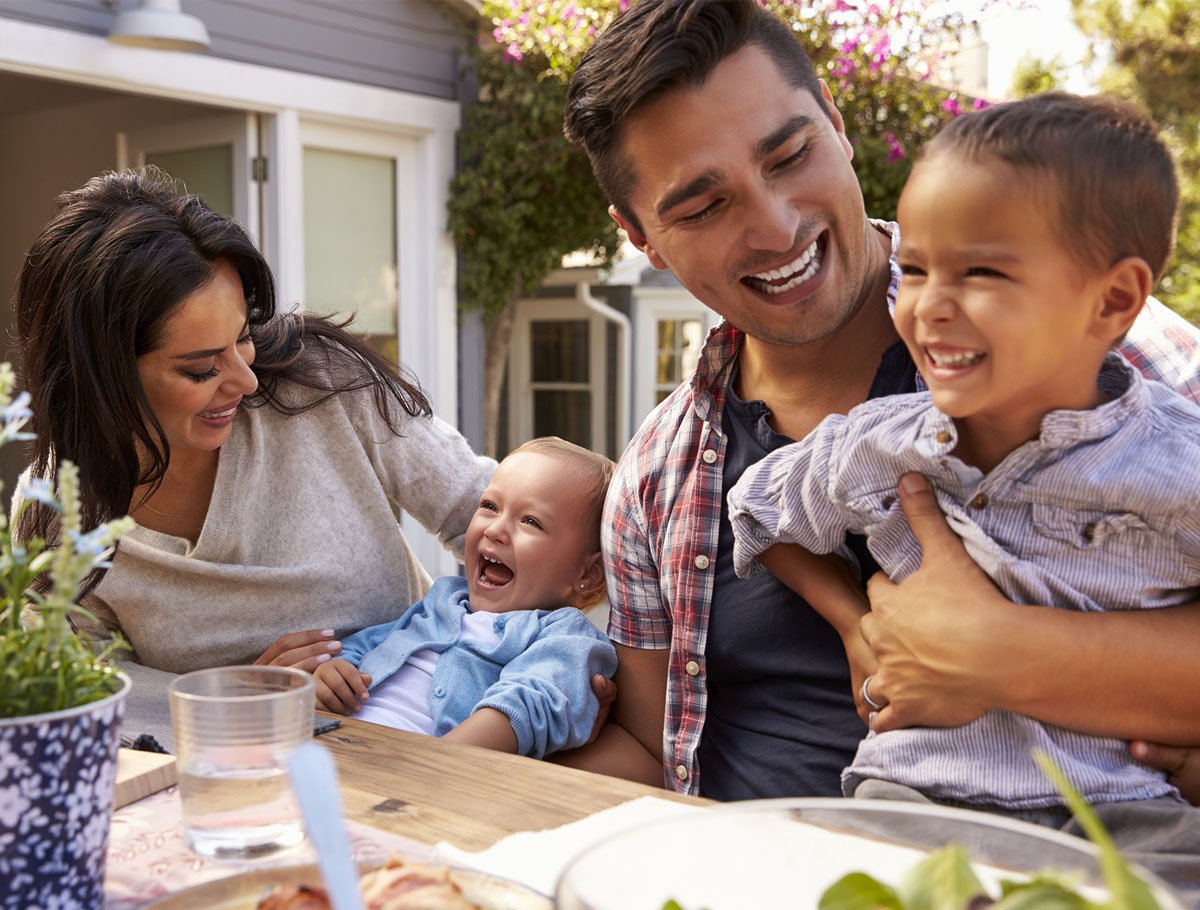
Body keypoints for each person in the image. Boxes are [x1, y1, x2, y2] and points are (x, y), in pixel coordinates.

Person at [558, 0, 1200, 804]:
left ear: (834, 120)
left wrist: (994, 652)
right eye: (704, 206)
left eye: (790, 156)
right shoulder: (654, 475)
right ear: (641, 237)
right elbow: (656, 753)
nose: (777, 225)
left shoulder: (1117, 353)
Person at [724, 92, 1200, 893]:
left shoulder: (1177, 464)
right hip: (909, 801)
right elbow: (757, 508)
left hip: (1124, 815)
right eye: (914, 270)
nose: (928, 307)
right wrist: (855, 624)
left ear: (1113, 300)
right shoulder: (882, 441)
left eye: (981, 272)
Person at [13, 166, 495, 743]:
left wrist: (544, 650)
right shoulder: (56, 515)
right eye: (201, 367)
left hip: (436, 740)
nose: (245, 380)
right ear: (103, 378)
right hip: (238, 782)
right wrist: (243, 697)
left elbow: (491, 515)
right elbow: (81, 689)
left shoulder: (322, 384)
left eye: (243, 336)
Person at [314, 437, 618, 759]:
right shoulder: (442, 602)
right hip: (326, 746)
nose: (495, 530)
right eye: (489, 506)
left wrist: (434, 764)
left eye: (531, 521)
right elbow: (372, 644)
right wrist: (336, 672)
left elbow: (531, 702)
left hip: (415, 773)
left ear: (588, 574)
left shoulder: (565, 636)